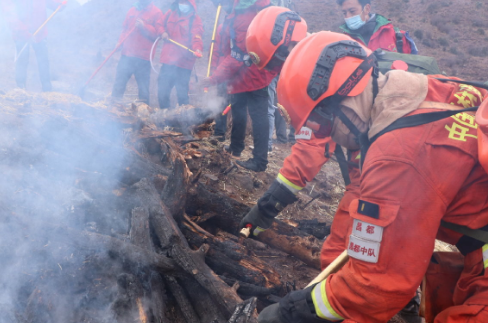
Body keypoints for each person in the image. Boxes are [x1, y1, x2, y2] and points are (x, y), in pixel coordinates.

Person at [256, 31, 488, 323]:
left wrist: (297, 310)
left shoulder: (398, 153)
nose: (323, 136)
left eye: (321, 124)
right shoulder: (419, 90)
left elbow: (376, 285)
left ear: (343, 97)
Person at [200, 0, 276, 172]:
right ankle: (235, 148)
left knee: (259, 117)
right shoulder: (238, 12)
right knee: (238, 110)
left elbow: (237, 54)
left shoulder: (245, 15)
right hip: (242, 76)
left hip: (255, 75)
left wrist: (214, 78)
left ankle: (260, 161)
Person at [2, 0, 63, 92]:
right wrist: (23, 32)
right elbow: (9, 13)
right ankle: (21, 89)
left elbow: (50, 2)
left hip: (40, 31)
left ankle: (47, 90)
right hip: (21, 34)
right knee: (22, 60)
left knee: (43, 61)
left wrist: (59, 3)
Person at [111, 0, 163, 105]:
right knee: (119, 83)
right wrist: (120, 42)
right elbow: (125, 29)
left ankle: (143, 112)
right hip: (127, 54)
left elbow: (157, 35)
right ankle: (114, 107)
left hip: (143, 58)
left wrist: (144, 26)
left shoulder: (157, 13)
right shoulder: (132, 10)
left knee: (143, 88)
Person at [157, 0, 203, 109]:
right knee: (162, 92)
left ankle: (183, 121)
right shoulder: (170, 13)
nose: (184, 5)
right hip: (168, 61)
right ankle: (165, 117)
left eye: (186, 3)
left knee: (182, 95)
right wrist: (162, 32)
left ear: (191, 4)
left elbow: (197, 37)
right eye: (182, 2)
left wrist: (198, 49)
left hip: (184, 63)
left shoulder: (195, 19)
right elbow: (159, 24)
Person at [337, 0, 418, 54]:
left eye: (352, 11)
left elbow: (415, 70)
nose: (348, 16)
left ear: (367, 9)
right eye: (344, 13)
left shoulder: (398, 37)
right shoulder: (343, 42)